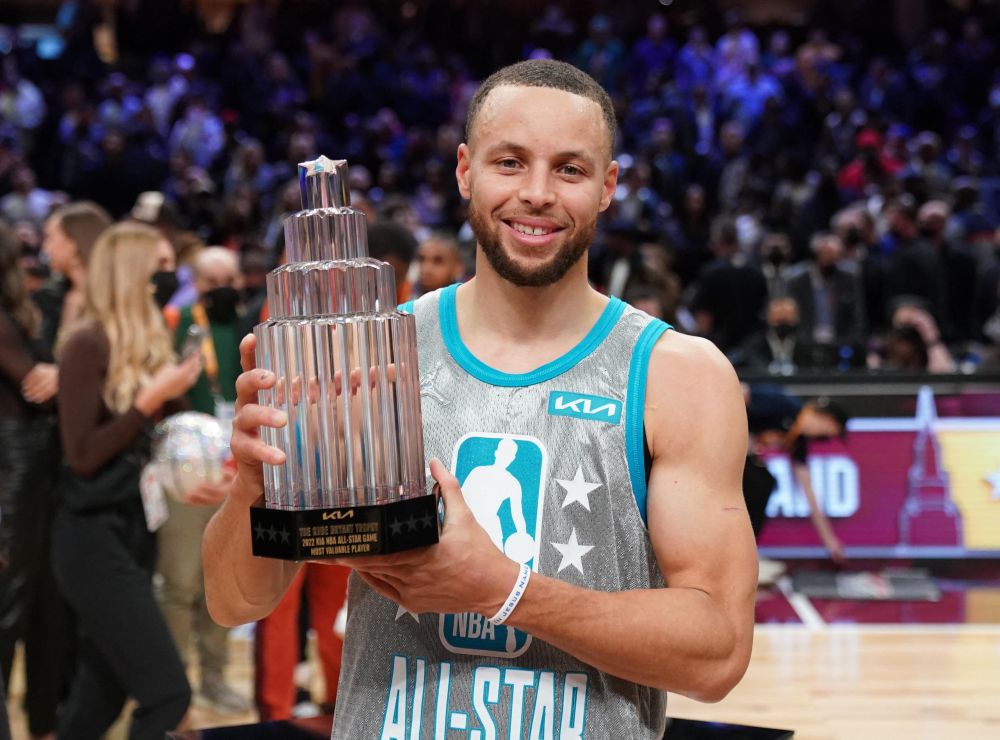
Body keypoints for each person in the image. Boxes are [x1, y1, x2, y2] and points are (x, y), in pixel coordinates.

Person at [204, 59, 756, 738]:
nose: (537, 193)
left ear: (609, 186)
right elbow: (233, 601)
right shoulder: (371, 353)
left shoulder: (679, 375)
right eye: (511, 162)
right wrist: (253, 489)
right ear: (466, 170)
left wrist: (506, 590)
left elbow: (719, 650)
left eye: (571, 170)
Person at [51, 222, 200, 739]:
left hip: (136, 530)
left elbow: (166, 442)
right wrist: (148, 400)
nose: (169, 277)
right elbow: (83, 455)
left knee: (102, 693)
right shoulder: (84, 345)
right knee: (169, 694)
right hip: (90, 538)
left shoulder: (149, 345)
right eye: (159, 267)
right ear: (131, 274)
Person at [155, 247, 250, 715]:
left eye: (230, 278)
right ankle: (174, 685)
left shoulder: (252, 327)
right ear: (196, 281)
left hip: (239, 472)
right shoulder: (175, 324)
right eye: (213, 280)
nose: (223, 287)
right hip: (185, 469)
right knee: (179, 582)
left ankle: (213, 677)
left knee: (222, 581)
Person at [0, 221, 64, 740]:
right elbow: (34, 386)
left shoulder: (21, 313)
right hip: (14, 470)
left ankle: (40, 723)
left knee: (32, 601)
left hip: (29, 468)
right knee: (12, 600)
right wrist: (66, 375)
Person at [746, 385, 850, 564]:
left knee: (765, 482)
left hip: (736, 456)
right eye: (827, 432)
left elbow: (808, 490)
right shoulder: (784, 404)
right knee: (758, 481)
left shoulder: (797, 440)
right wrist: (744, 438)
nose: (823, 438)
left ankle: (746, 549)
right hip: (717, 442)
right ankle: (742, 551)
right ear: (828, 421)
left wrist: (829, 540)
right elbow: (741, 391)